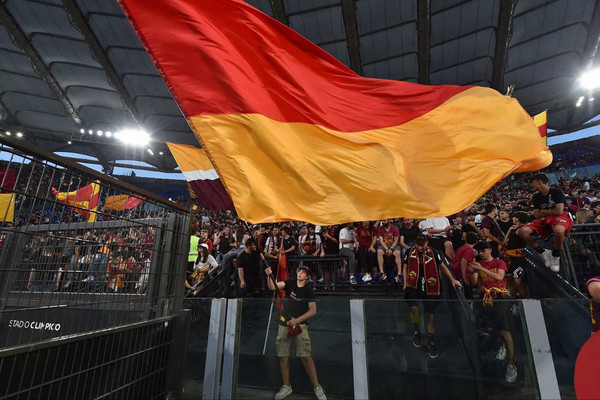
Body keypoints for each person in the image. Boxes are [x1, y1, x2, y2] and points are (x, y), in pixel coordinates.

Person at [265, 265, 327, 400]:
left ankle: (317, 386)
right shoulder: (290, 283)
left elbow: (313, 310)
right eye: (299, 271)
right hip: (284, 323)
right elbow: (272, 286)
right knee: (283, 355)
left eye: (303, 272)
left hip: (300, 326)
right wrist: (269, 275)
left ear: (307, 277)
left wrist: (297, 320)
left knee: (305, 356)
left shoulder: (309, 291)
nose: (300, 273)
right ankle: (286, 385)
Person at [403, 235, 462, 358]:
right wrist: (405, 282)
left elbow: (442, 266)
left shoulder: (434, 252)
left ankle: (431, 339)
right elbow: (405, 267)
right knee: (413, 309)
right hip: (413, 283)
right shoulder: (409, 252)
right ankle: (417, 331)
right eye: (418, 244)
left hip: (430, 284)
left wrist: (452, 280)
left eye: (422, 244)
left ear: (426, 243)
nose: (420, 247)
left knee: (430, 315)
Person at [470, 241, 517, 384]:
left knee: (505, 329)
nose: (481, 253)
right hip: (486, 298)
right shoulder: (478, 264)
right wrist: (473, 272)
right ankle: (501, 345)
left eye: (483, 250)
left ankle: (511, 364)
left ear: (489, 250)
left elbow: (499, 277)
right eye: (479, 251)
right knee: (489, 327)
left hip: (500, 297)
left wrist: (482, 269)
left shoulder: (499, 262)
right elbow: (474, 283)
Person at [517, 173, 573, 272]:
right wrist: (550, 211)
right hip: (545, 219)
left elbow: (559, 211)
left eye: (532, 183)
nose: (531, 185)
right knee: (522, 231)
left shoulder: (556, 192)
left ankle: (555, 255)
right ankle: (542, 252)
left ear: (539, 182)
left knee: (559, 231)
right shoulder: (536, 197)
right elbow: (536, 215)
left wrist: (543, 211)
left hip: (561, 216)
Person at [503, 212, 529, 299]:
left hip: (518, 258)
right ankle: (513, 301)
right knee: (510, 281)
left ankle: (525, 300)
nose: (512, 219)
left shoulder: (523, 229)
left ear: (517, 218)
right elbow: (505, 242)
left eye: (514, 217)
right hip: (510, 258)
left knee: (518, 281)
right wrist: (509, 230)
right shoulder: (514, 229)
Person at [452, 232, 478, 300]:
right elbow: (464, 262)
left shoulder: (461, 248)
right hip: (461, 275)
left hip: (456, 273)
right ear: (476, 242)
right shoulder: (469, 250)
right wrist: (465, 278)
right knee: (468, 297)